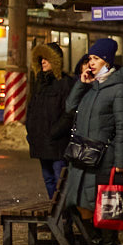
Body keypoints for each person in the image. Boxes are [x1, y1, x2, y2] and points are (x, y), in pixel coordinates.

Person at [64, 38, 123, 245]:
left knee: (102, 207)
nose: (90, 63)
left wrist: (121, 162)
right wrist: (81, 84)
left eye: (96, 58)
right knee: (79, 205)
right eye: (89, 58)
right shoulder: (91, 86)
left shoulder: (119, 89)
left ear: (108, 60)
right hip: (82, 157)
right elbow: (69, 107)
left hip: (103, 158)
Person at [25, 42, 74, 198]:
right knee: (48, 179)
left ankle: (62, 217)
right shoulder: (40, 83)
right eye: (41, 59)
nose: (43, 62)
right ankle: (56, 216)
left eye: (46, 59)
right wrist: (31, 131)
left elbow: (69, 114)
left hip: (57, 143)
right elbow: (32, 109)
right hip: (41, 141)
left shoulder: (65, 83)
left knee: (60, 180)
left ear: (56, 61)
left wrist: (54, 133)